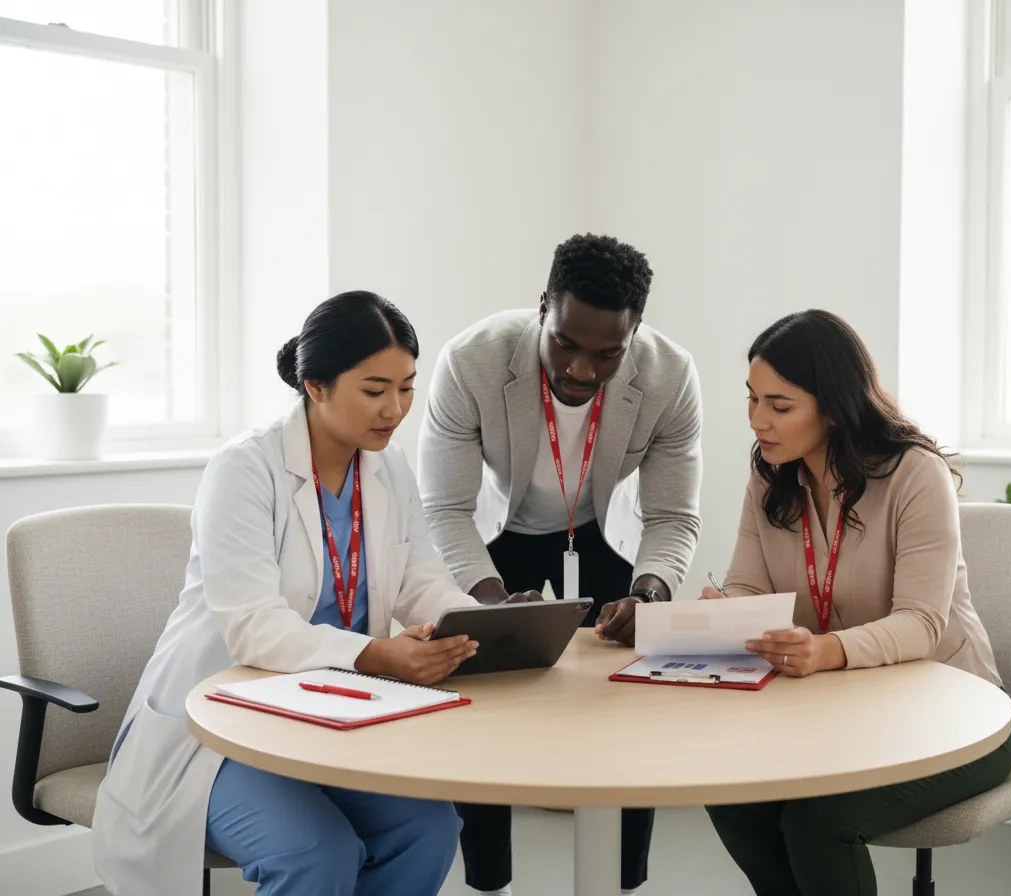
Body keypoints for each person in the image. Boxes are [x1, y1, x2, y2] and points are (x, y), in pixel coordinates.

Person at [92, 291, 481, 896]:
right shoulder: (244, 469)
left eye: (406, 387)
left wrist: (476, 628)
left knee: (428, 828)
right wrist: (376, 655)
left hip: (335, 712)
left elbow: (419, 578)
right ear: (316, 386)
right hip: (225, 725)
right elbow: (252, 626)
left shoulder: (389, 467)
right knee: (314, 854)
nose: (396, 408)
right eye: (375, 390)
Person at [417, 233, 704, 895]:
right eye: (566, 343)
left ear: (636, 332)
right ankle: (490, 882)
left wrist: (653, 595)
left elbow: (672, 517)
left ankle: (623, 880)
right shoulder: (471, 360)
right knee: (481, 691)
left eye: (608, 353)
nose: (581, 369)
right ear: (543, 306)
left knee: (635, 688)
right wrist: (487, 600)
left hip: (603, 528)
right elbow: (446, 508)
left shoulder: (670, 375)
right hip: (500, 531)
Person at [701, 310, 1011, 896]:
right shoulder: (771, 478)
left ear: (834, 404)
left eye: (779, 405)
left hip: (957, 720)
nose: (757, 421)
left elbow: (922, 623)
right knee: (732, 793)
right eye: (751, 399)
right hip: (838, 718)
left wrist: (823, 651)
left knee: (819, 821)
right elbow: (750, 586)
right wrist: (725, 611)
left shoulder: (916, 475)